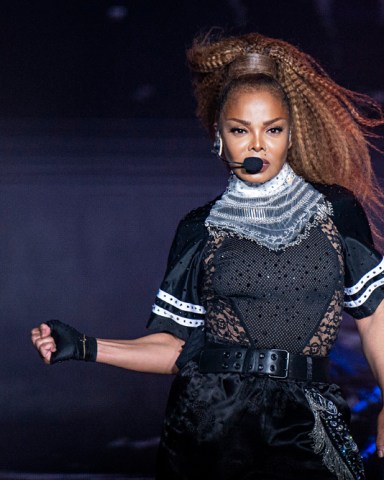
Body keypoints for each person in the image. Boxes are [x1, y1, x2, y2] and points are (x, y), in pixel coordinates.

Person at [31, 31, 384, 480]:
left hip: (306, 418)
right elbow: (177, 348)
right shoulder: (199, 228)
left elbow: (375, 316)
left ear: (290, 134)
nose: (257, 144)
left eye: (272, 129)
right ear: (219, 137)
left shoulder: (336, 210)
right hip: (209, 422)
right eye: (241, 130)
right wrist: (85, 347)